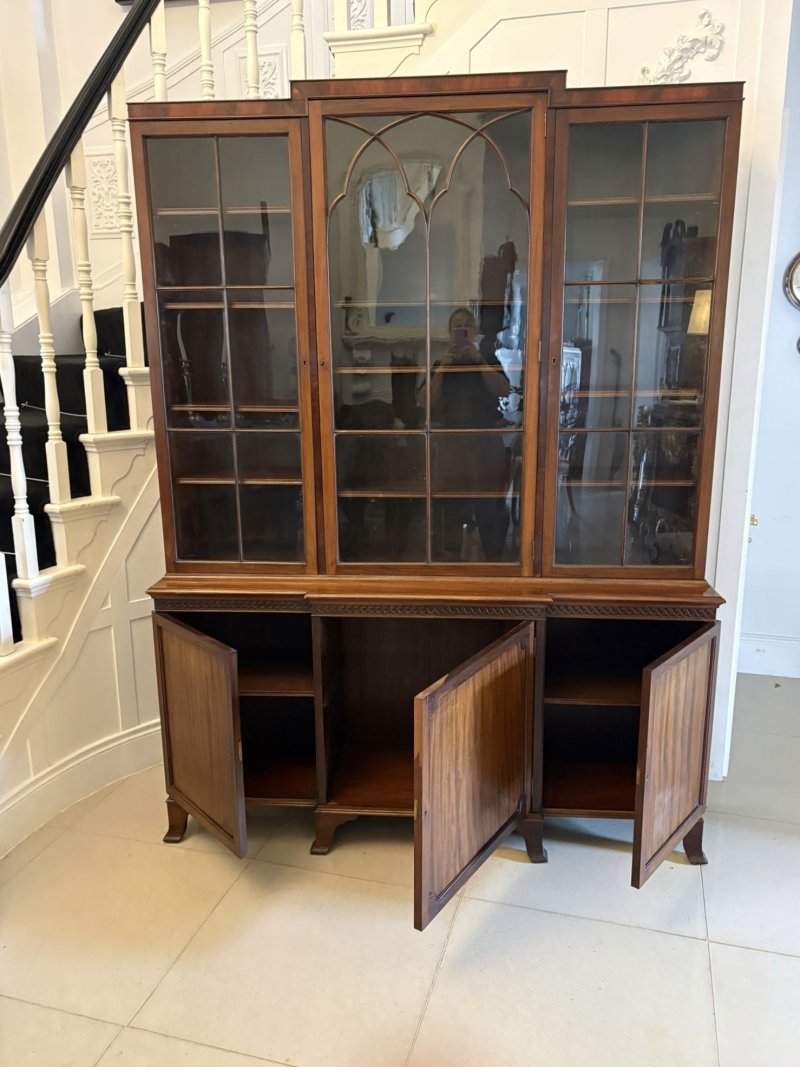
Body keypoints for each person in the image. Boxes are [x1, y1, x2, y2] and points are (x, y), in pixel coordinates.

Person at [419, 308, 513, 560]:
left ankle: (493, 559)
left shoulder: (487, 359)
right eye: (456, 325)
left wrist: (479, 362)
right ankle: (450, 557)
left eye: (466, 325)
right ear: (450, 333)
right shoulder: (440, 364)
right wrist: (443, 368)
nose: (461, 329)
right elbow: (423, 401)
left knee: (487, 503)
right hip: (451, 443)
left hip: (485, 442)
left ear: (474, 332)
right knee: (450, 501)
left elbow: (504, 390)